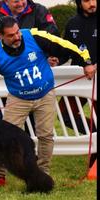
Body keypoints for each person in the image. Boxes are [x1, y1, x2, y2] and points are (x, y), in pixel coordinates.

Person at [0, 16, 96, 187]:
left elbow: (65, 46)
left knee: (46, 135)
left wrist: (87, 62)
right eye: (11, 35)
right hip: (18, 98)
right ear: (1, 36)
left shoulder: (34, 36)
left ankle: (43, 173)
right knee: (5, 137)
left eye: (17, 32)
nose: (17, 37)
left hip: (45, 93)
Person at [0, 0, 59, 72]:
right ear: (6, 1)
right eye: (16, 1)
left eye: (23, 0)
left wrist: (51, 57)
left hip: (34, 69)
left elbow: (52, 37)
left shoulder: (39, 11)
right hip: (4, 70)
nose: (20, 4)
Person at [58, 0, 97, 167]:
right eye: (87, 0)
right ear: (79, 2)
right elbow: (66, 53)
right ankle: (95, 135)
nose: (93, 3)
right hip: (79, 80)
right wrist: (55, 60)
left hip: (95, 78)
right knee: (64, 115)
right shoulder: (72, 23)